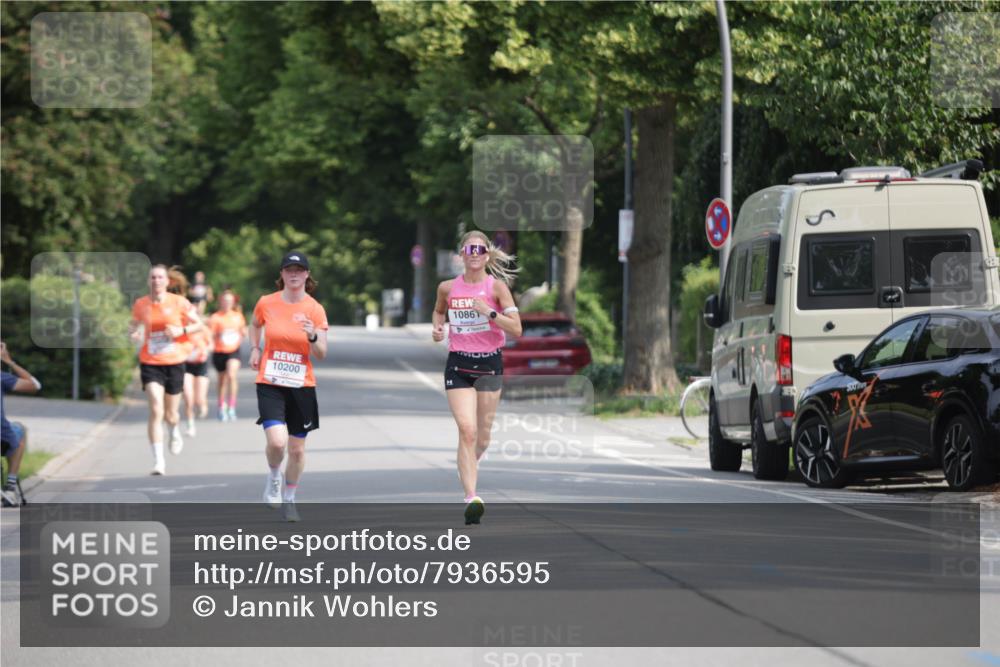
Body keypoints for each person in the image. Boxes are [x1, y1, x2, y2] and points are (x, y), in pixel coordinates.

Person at [432, 231, 521, 525]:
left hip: (490, 366)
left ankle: (473, 458)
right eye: (469, 248)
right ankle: (471, 497)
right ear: (461, 253)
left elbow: (517, 329)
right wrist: (437, 329)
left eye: (479, 249)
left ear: (486, 254)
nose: (474, 253)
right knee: (467, 431)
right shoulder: (447, 287)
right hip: (458, 365)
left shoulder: (497, 288)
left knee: (482, 437)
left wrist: (490, 313)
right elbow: (438, 312)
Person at [249, 251, 328, 522]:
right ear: (281, 275)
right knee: (277, 441)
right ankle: (273, 476)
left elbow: (321, 353)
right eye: (288, 269)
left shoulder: (314, 309)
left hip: (301, 385)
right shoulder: (266, 303)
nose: (294, 274)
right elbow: (255, 323)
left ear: (307, 274)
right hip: (270, 381)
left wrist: (313, 335)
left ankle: (290, 498)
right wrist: (255, 348)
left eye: (299, 269)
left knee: (297, 450)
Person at [129, 265, 204, 475]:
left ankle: (174, 430)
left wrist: (181, 330)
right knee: (155, 408)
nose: (156, 281)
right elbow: (133, 325)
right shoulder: (141, 304)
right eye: (152, 277)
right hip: (150, 361)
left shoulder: (179, 302)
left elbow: (199, 325)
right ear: (148, 281)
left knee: (171, 414)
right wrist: (133, 333)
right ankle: (159, 461)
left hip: (174, 361)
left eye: (160, 277)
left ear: (167, 281)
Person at [0, 342, 41, 507]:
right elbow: (35, 385)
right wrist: (9, 361)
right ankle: (10, 488)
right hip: (2, 438)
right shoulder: (2, 377)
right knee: (18, 430)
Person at [209, 289, 248, 421]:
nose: (227, 303)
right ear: (220, 301)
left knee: (231, 375)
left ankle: (231, 407)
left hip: (233, 351)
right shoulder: (215, 317)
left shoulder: (238, 316)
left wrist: (242, 332)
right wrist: (217, 336)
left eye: (230, 301)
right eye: (225, 300)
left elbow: (243, 332)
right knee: (222, 381)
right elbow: (210, 335)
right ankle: (221, 406)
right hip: (219, 352)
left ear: (233, 302)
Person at [182, 318, 212, 436]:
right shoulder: (181, 330)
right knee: (188, 397)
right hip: (185, 365)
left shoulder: (203, 329)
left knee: (199, 399)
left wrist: (205, 350)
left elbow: (211, 345)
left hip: (200, 365)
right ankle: (190, 424)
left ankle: (202, 404)